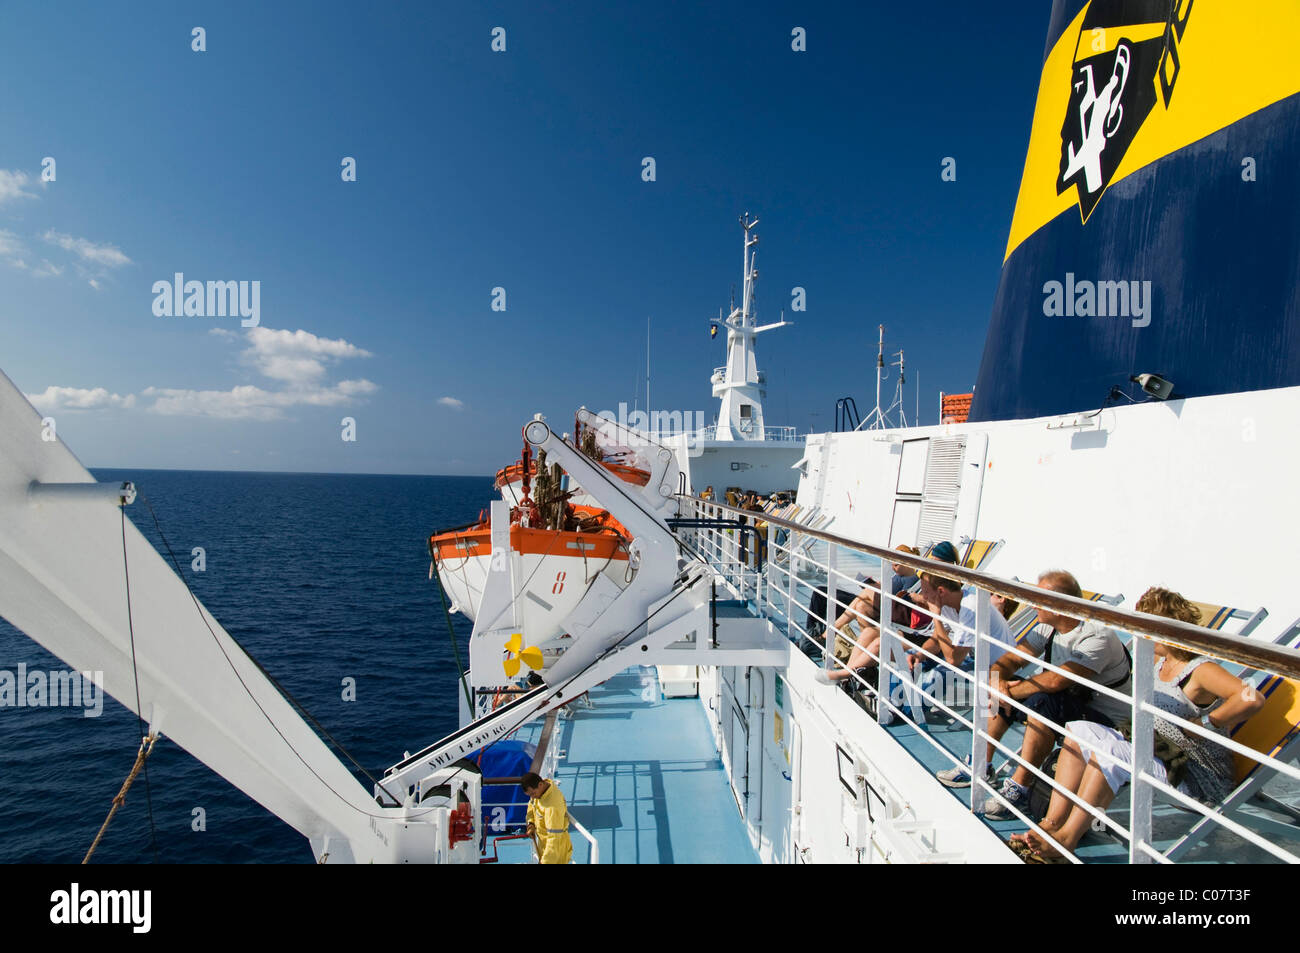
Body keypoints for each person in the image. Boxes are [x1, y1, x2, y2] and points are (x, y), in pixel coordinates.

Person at [1010, 587, 1264, 862]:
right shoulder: (1159, 661)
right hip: (1162, 755)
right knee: (1079, 729)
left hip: (1194, 775)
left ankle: (1066, 843)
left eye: (1144, 624)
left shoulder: (1200, 670)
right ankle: (1051, 826)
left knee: (1114, 753)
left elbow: (1252, 697)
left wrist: (1204, 723)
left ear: (1162, 627)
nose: (1138, 632)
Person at [941, 570, 1133, 816]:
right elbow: (1009, 660)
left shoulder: (1097, 636)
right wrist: (998, 684)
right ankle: (981, 763)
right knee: (998, 682)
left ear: (1057, 604)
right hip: (1070, 705)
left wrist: (1007, 690)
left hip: (1108, 724)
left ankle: (1021, 785)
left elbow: (1056, 681)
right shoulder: (1048, 628)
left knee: (1043, 700)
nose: (1031, 605)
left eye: (1037, 599)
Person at [813, 542, 959, 686]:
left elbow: (940, 641)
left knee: (878, 640)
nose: (931, 565)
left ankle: (845, 674)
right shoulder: (939, 593)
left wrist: (923, 601)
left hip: (923, 633)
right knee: (869, 631)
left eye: (935, 561)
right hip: (920, 631)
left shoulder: (950, 598)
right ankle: (848, 675)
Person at [522, 771, 573, 864]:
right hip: (544, 847)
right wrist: (531, 824)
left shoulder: (552, 807)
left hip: (556, 853)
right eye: (530, 795)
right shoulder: (539, 794)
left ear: (540, 784)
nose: (532, 797)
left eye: (533, 794)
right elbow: (531, 805)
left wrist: (545, 862)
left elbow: (554, 839)